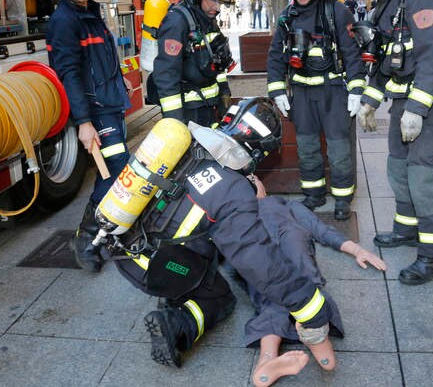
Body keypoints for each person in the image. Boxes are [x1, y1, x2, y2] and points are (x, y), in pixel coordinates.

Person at [109, 98, 340, 369]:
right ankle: (174, 322)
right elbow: (259, 261)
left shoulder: (188, 144)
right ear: (257, 150)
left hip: (121, 241)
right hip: (156, 264)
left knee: (205, 258)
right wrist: (309, 307)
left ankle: (176, 290)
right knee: (219, 297)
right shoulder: (232, 190)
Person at [343, 0, 433, 285]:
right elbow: (383, 59)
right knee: (398, 168)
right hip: (403, 100)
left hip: (430, 100)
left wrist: (417, 110)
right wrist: (369, 103)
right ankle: (406, 230)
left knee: (423, 177)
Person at [245, 175, 386, 387]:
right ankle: (314, 343)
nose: (253, 181)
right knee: (290, 285)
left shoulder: (267, 209)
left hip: (274, 245)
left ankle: (270, 356)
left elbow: (319, 229)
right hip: (275, 246)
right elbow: (320, 230)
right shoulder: (261, 210)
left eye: (253, 178)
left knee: (283, 286)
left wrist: (357, 250)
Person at [46, 0, 131, 272]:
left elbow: (101, 56)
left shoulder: (90, 13)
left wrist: (118, 77)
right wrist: (83, 122)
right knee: (116, 173)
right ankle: (86, 237)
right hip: (94, 112)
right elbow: (69, 74)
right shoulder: (64, 21)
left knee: (118, 172)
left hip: (110, 105)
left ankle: (108, 233)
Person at [266, 0, 366, 220]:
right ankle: (314, 194)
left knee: (338, 149)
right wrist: (277, 91)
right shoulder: (287, 17)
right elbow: (276, 55)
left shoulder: (336, 11)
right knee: (307, 147)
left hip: (332, 91)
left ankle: (343, 198)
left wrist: (356, 89)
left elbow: (352, 53)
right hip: (301, 94)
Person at [151, 0, 235, 126]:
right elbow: (166, 75)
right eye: (214, 0)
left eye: (220, 2)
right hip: (188, 113)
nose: (218, 8)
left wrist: (224, 94)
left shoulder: (207, 19)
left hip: (210, 109)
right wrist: (175, 121)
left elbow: (217, 63)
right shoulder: (177, 22)